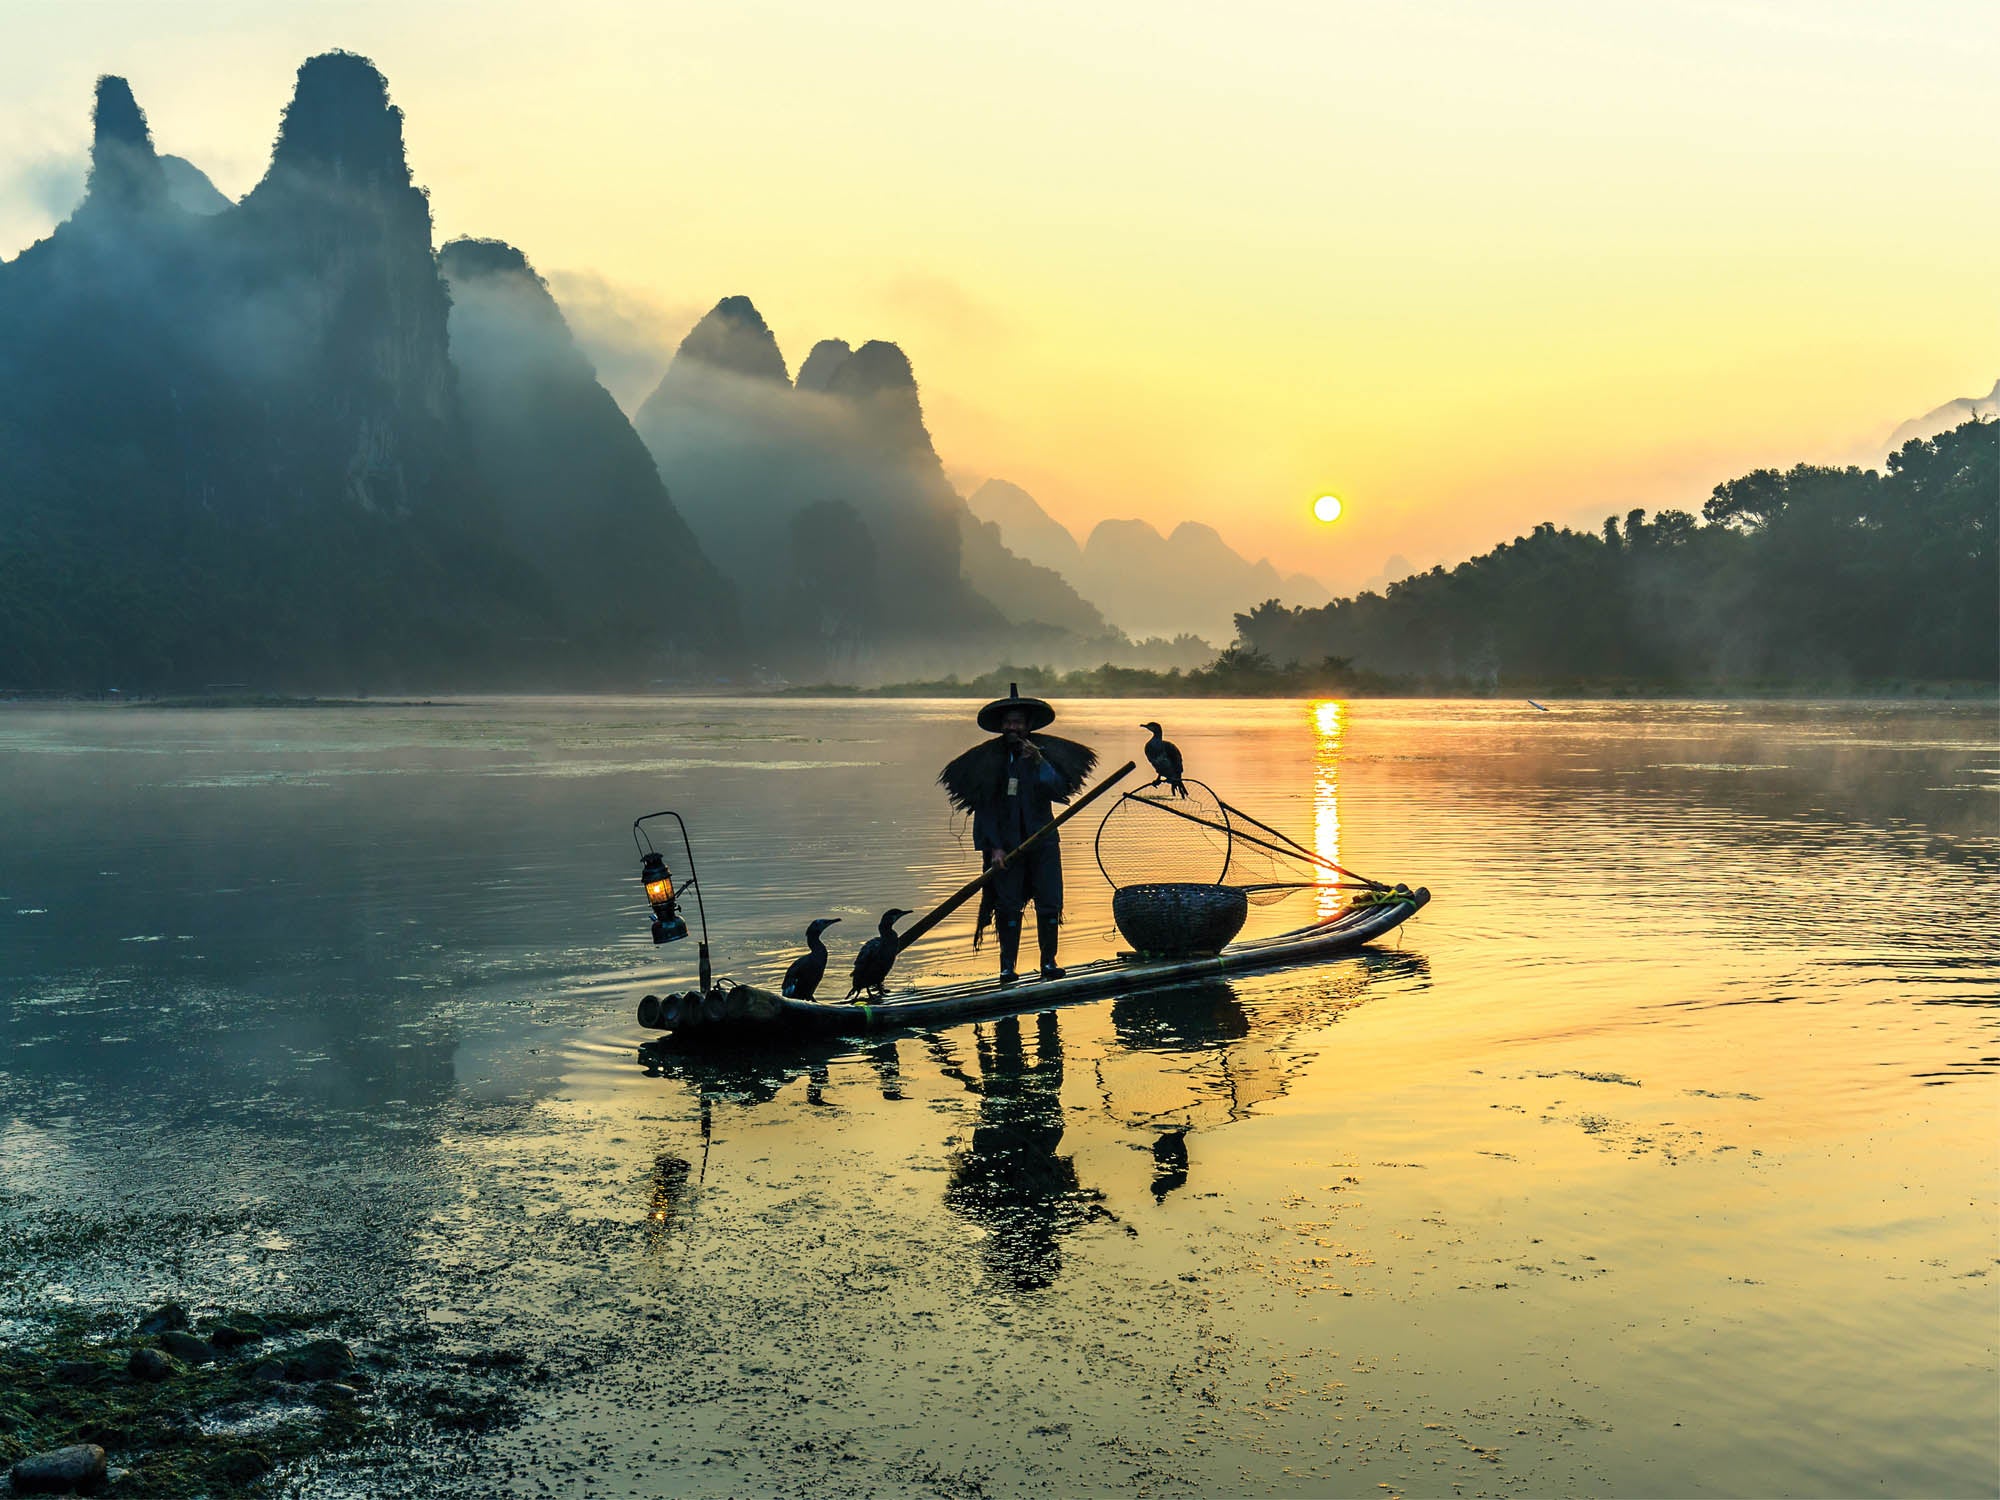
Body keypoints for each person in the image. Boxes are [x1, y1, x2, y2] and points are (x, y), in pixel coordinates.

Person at [937, 684, 1097, 982]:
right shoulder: (988, 761)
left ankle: (1048, 963)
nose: (1013, 727)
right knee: (1007, 905)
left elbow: (1059, 789)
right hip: (1006, 848)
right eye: (1009, 722)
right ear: (1001, 726)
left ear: (1028, 726)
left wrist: (1038, 761)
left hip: (1043, 841)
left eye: (1018, 722)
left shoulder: (1043, 755)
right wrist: (995, 848)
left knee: (1049, 901)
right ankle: (1008, 968)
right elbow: (984, 810)